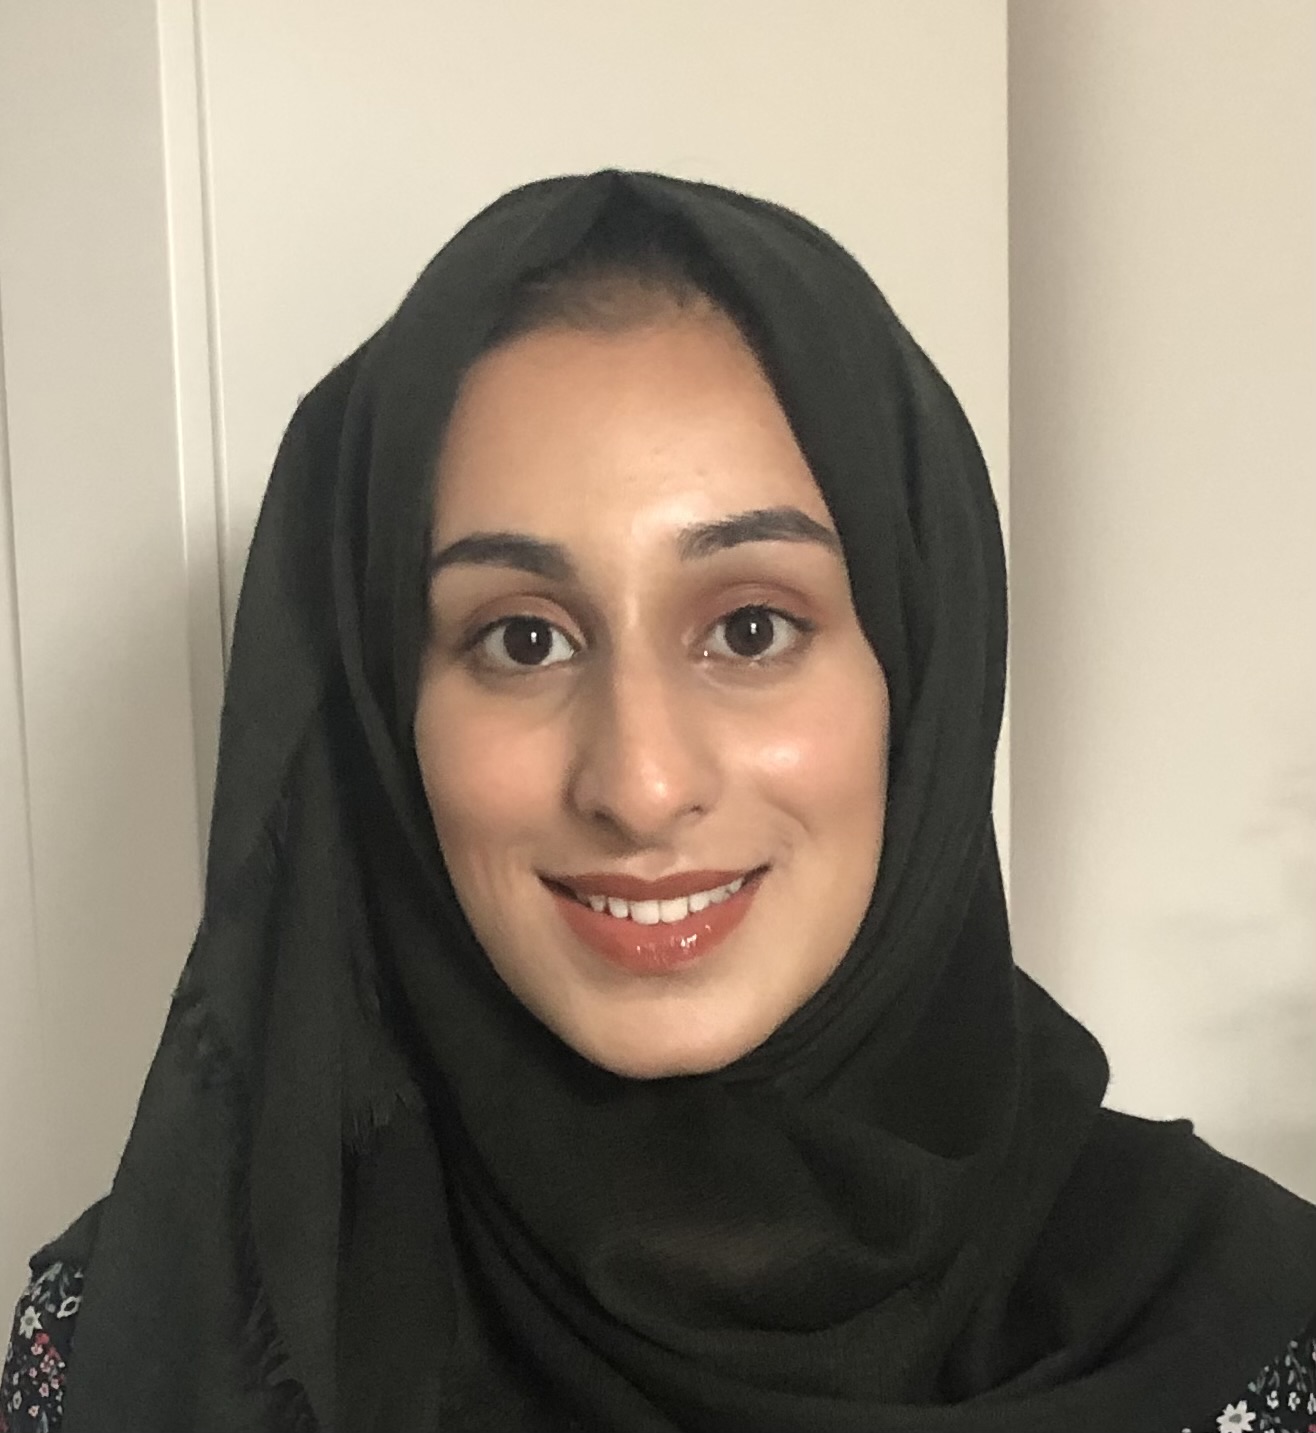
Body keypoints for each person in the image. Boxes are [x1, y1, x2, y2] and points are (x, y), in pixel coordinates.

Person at [4, 170, 1314, 1433]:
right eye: (523, 640)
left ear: (920, 672)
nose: (640, 785)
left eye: (750, 627)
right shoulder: (159, 1340)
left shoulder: (1238, 1331)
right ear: (384, 713)